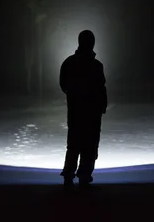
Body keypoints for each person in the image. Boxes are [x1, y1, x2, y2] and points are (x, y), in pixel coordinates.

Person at [59, 30, 107, 189]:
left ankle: (69, 175)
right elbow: (101, 88)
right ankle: (84, 175)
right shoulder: (96, 66)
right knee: (90, 144)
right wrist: (101, 105)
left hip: (76, 110)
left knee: (74, 143)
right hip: (92, 111)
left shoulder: (69, 62)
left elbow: (63, 85)